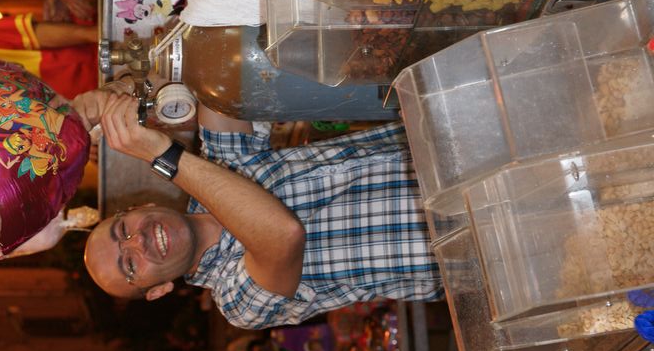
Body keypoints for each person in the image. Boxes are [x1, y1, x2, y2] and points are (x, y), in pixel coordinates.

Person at [82, 91, 444, 329]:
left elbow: (219, 76)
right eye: (130, 265)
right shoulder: (235, 301)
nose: (138, 241)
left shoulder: (221, 163)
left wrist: (123, 97)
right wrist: (162, 156)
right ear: (159, 290)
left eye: (122, 230)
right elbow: (282, 236)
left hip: (445, 143)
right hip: (466, 237)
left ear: (141, 207)